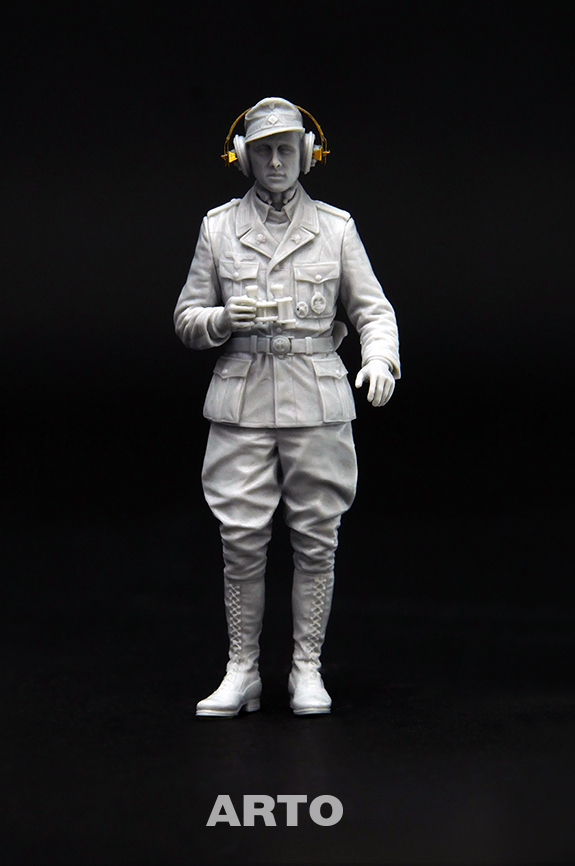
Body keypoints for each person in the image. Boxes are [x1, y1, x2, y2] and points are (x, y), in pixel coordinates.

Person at [174, 97, 400, 717]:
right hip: (242, 399)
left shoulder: (336, 228)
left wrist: (380, 359)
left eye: (285, 149)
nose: (275, 161)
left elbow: (373, 310)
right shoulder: (219, 228)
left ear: (306, 153)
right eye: (263, 151)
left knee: (317, 537)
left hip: (317, 398)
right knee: (241, 538)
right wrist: (222, 319)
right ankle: (242, 669)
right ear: (243, 157)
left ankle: (306, 667)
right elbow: (186, 319)